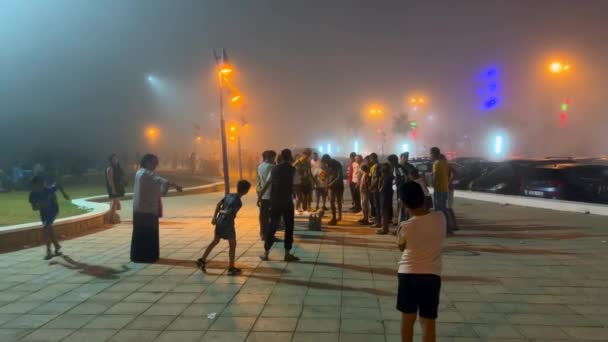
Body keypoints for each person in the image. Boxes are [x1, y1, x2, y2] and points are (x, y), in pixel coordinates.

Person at [396, 181, 446, 342]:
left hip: (408, 275)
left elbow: (401, 247)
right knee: (428, 321)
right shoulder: (440, 218)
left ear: (403, 203)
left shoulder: (406, 226)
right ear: (423, 197)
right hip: (432, 276)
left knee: (408, 319)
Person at [131, 154, 183, 263]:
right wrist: (171, 187)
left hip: (139, 209)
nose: (156, 165)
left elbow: (157, 181)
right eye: (154, 163)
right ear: (147, 162)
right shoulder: (146, 173)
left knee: (139, 234)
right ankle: (149, 257)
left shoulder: (139, 172)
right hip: (148, 210)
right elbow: (163, 181)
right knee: (149, 234)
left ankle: (138, 256)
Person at [197, 180, 251, 276]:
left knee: (215, 241)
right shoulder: (238, 202)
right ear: (246, 191)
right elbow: (229, 212)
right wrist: (223, 212)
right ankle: (231, 268)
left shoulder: (229, 195)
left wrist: (214, 217)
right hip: (227, 224)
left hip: (219, 221)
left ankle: (202, 260)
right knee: (232, 244)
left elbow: (218, 204)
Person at [258, 149, 299, 262]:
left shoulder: (274, 169)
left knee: (272, 226)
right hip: (287, 202)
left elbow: (267, 183)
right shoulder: (293, 170)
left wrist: (260, 196)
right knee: (289, 227)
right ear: (290, 157)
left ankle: (266, 254)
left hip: (275, 201)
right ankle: (287, 254)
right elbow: (295, 186)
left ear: (281, 156)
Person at [29, 176, 70, 260]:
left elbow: (58, 185)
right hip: (43, 213)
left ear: (42, 184)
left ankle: (49, 251)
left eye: (39, 185)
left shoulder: (48, 190)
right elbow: (34, 208)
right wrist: (41, 205)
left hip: (53, 211)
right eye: (34, 186)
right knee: (49, 229)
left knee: (45, 228)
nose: (36, 188)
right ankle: (57, 246)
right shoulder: (32, 194)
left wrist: (64, 194)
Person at [430, 147, 454, 234]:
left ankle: (443, 229)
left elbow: (435, 177)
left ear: (433, 154)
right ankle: (447, 228)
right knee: (443, 209)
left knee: (439, 210)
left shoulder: (436, 164)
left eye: (430, 154)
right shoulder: (444, 162)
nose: (430, 156)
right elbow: (451, 172)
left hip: (439, 189)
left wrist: (432, 184)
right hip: (445, 189)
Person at [257, 150, 276, 241]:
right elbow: (268, 183)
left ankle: (262, 234)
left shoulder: (260, 166)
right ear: (271, 157)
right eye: (273, 157)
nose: (274, 159)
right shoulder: (272, 167)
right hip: (271, 195)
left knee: (262, 216)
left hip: (263, 195)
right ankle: (269, 235)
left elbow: (260, 182)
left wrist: (260, 196)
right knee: (271, 217)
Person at [321, 154, 344, 225]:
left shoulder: (337, 164)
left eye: (326, 162)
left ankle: (339, 216)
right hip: (331, 187)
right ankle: (334, 218)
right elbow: (327, 176)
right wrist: (325, 184)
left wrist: (331, 184)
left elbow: (339, 177)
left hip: (338, 186)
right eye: (325, 163)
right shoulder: (327, 165)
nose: (326, 164)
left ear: (329, 159)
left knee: (339, 201)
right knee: (331, 201)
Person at [105, 154, 127, 224]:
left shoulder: (117, 167)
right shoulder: (110, 168)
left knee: (116, 204)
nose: (115, 160)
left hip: (118, 187)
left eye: (116, 159)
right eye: (114, 159)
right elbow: (110, 180)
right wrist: (113, 190)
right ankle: (111, 220)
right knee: (115, 203)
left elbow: (121, 176)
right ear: (111, 160)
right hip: (113, 187)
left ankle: (113, 217)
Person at [441, 154, 459, 231]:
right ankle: (451, 224)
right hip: (444, 188)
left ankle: (453, 225)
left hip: (447, 188)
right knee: (447, 207)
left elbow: (454, 172)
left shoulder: (446, 165)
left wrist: (449, 181)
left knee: (448, 207)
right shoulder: (443, 165)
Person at [293, 149, 314, 214]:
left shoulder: (308, 162)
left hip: (307, 181)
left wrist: (313, 180)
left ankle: (304, 209)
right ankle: (296, 209)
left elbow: (309, 172)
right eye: (307, 155)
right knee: (299, 197)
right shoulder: (298, 162)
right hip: (299, 182)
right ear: (303, 154)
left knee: (306, 196)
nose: (308, 157)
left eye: (309, 155)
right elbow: (292, 168)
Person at [378, 163, 394, 235]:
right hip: (388, 195)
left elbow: (381, 188)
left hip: (384, 196)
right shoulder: (389, 176)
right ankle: (385, 228)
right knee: (385, 212)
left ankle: (384, 229)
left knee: (384, 212)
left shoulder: (385, 177)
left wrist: (380, 181)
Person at [368, 153, 382, 228]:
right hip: (376, 188)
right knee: (377, 205)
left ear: (373, 158)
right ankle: (378, 221)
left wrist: (371, 187)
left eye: (370, 159)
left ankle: (378, 222)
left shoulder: (377, 166)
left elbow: (376, 179)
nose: (370, 160)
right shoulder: (378, 165)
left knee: (377, 206)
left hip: (376, 189)